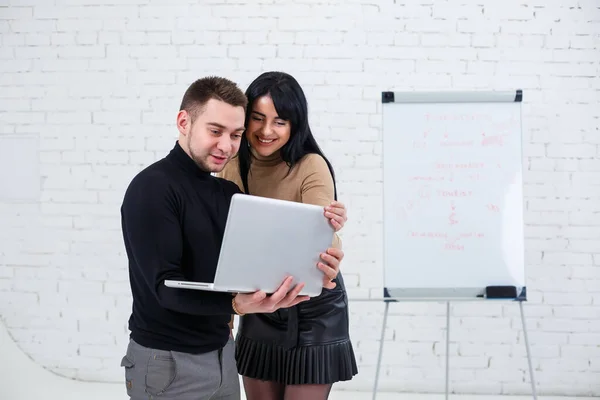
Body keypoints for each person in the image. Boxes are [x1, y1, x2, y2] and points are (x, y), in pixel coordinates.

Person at [118, 76, 346, 400]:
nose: (226, 145)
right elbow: (165, 290)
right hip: (168, 362)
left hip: (223, 357)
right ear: (184, 122)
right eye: (215, 131)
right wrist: (237, 304)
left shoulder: (228, 193)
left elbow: (261, 255)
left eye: (235, 135)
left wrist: (328, 239)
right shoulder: (152, 189)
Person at [218, 71, 358, 400]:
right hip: (261, 305)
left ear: (295, 124)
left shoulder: (310, 165)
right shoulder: (232, 165)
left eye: (280, 121)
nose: (266, 131)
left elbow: (326, 243)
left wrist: (331, 235)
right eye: (258, 118)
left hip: (313, 309)